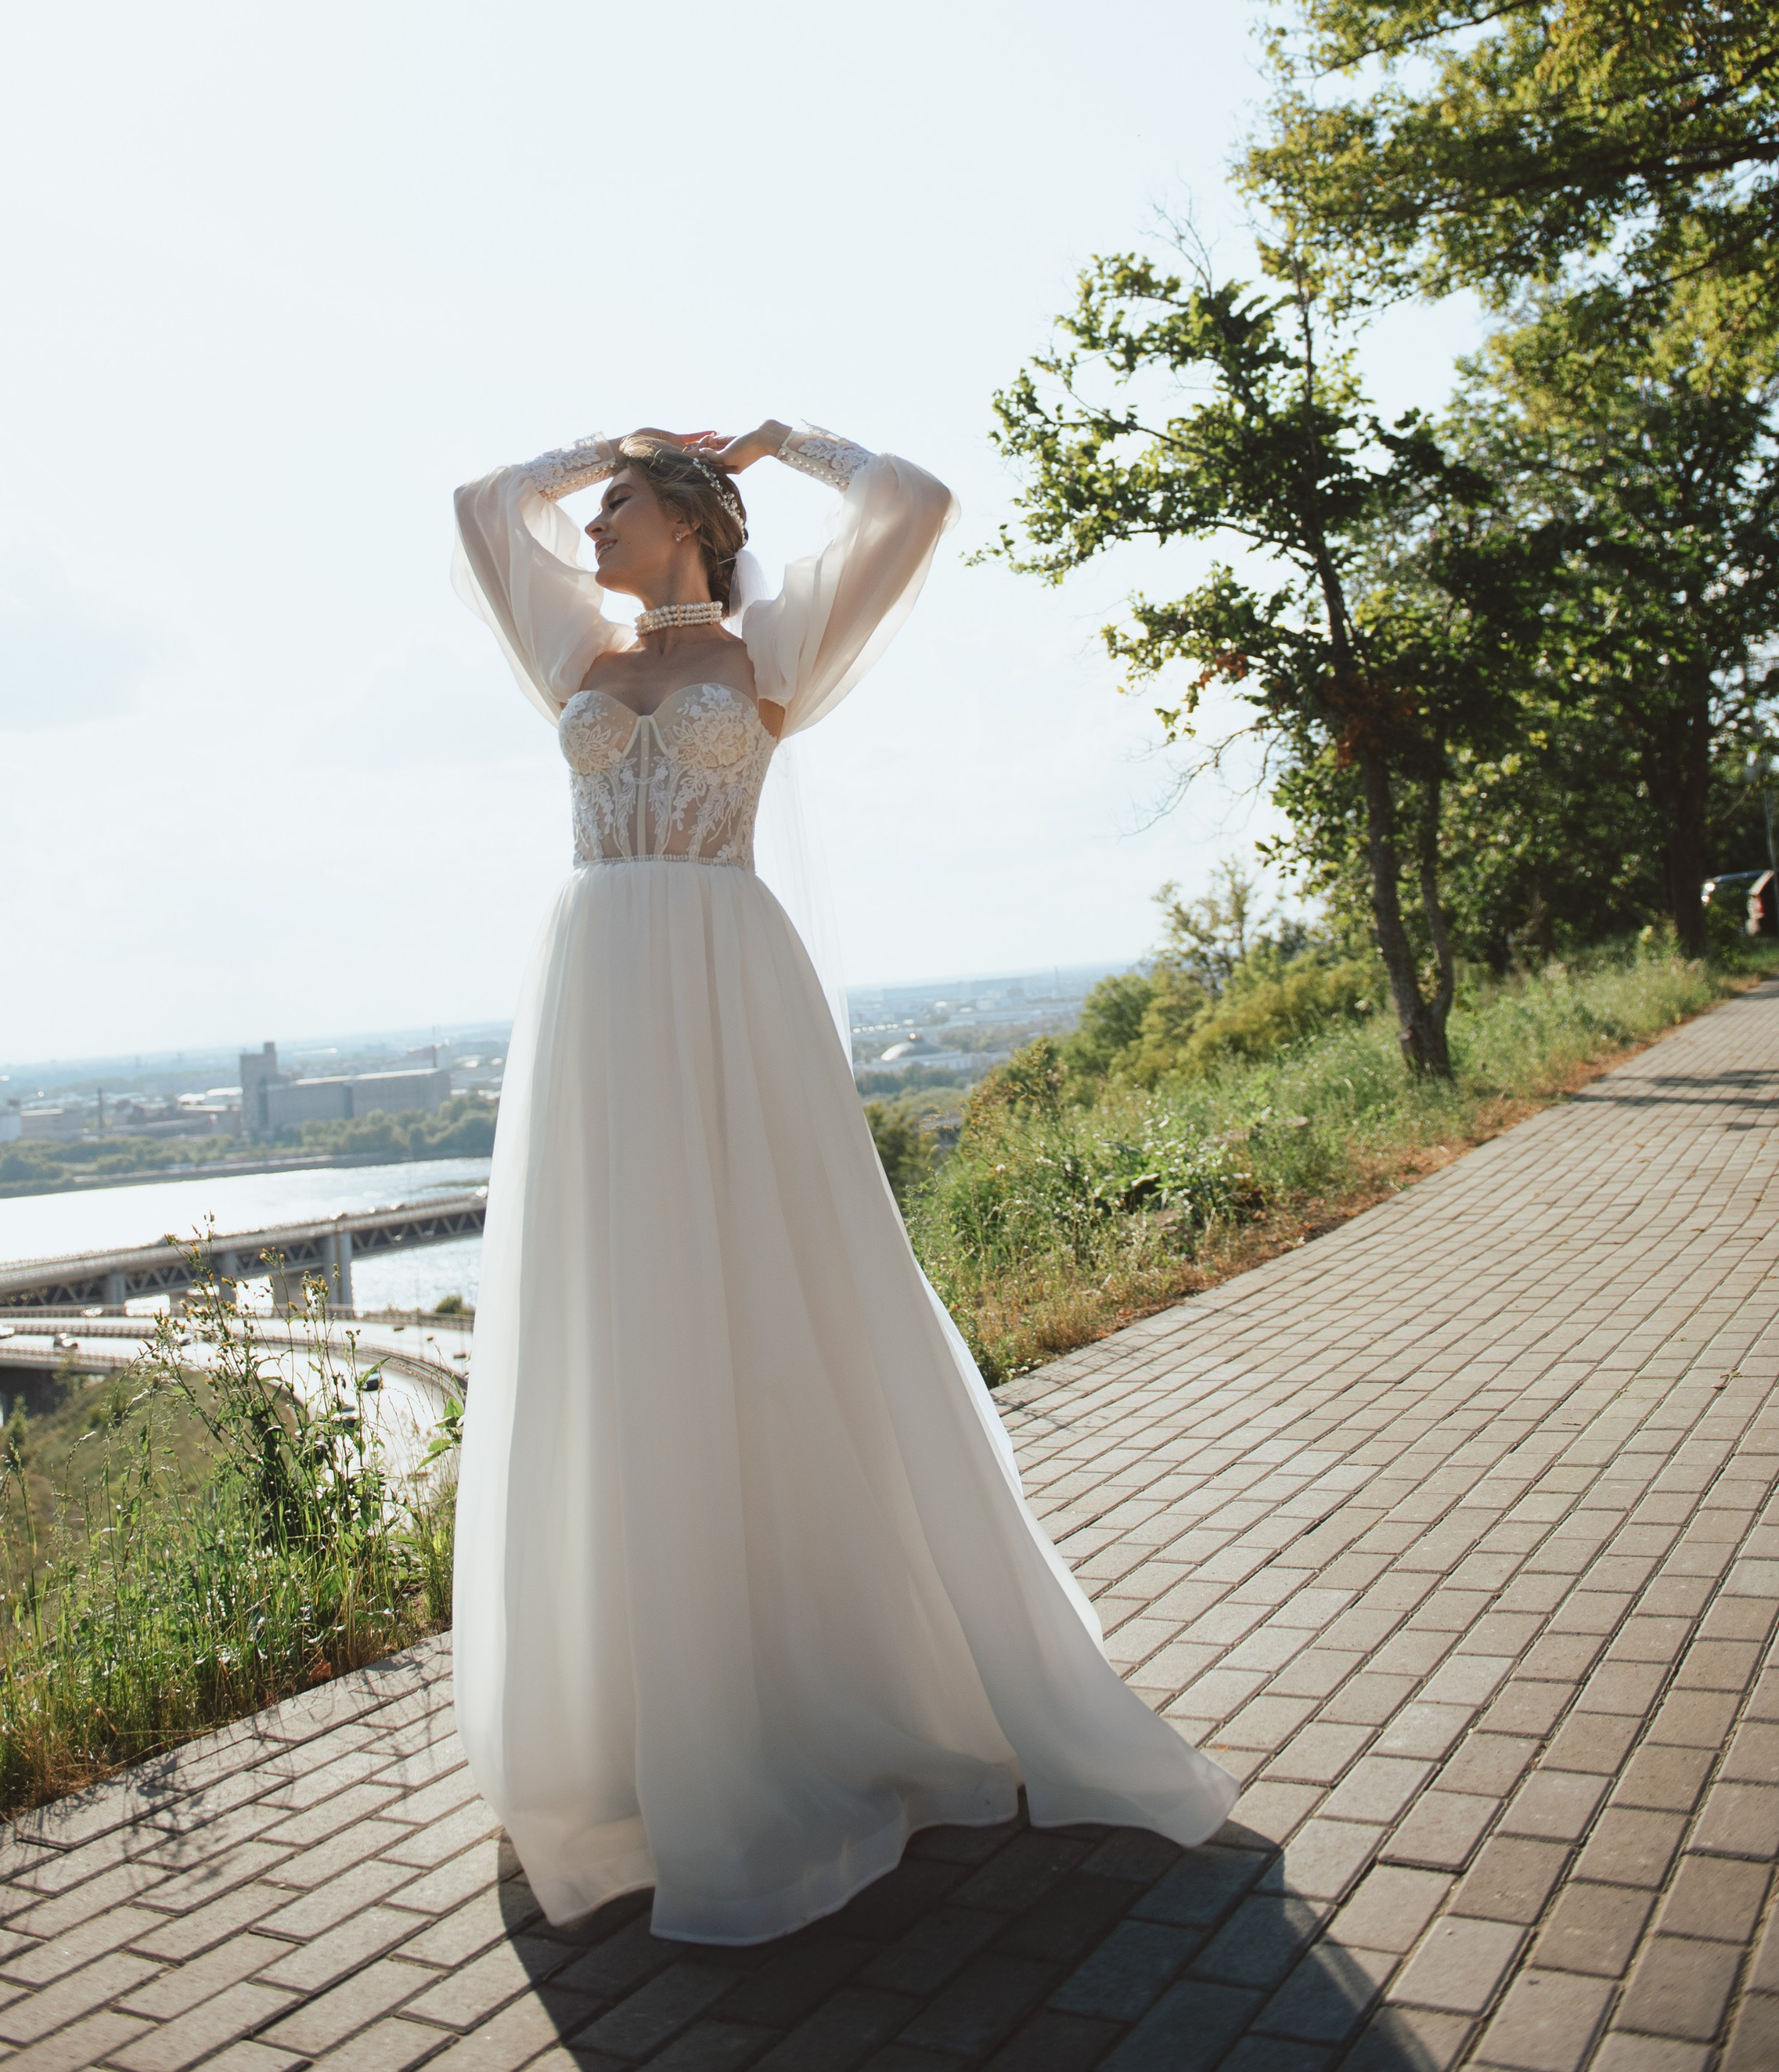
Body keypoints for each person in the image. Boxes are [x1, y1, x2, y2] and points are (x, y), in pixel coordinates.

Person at [450, 419, 1236, 1947]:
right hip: (595, 1009)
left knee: (770, 1307)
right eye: (595, 505)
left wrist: (773, 442)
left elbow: (917, 503)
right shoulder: (570, 637)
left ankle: (815, 1682)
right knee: (612, 1326)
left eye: (616, 506)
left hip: (730, 1001)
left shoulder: (771, 648)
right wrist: (604, 443)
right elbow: (481, 504)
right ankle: (626, 1718)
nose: (587, 527)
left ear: (689, 520)